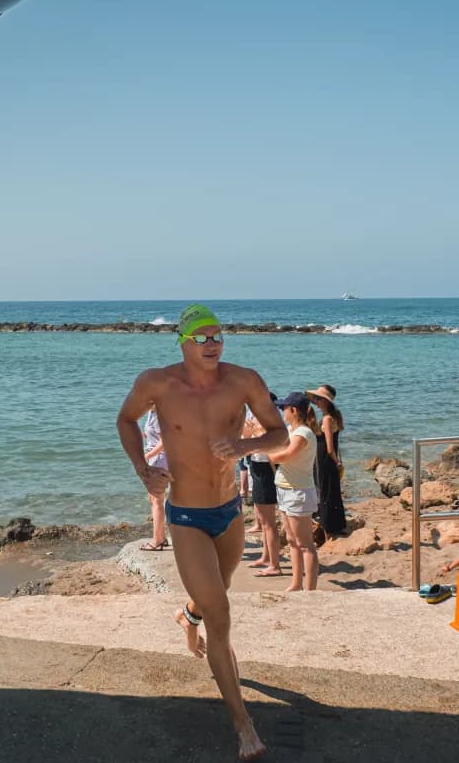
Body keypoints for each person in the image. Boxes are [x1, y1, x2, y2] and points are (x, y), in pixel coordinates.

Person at [116, 303, 287, 761]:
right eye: (201, 337)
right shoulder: (158, 383)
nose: (211, 343)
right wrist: (142, 469)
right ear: (183, 342)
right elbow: (124, 420)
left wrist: (245, 445)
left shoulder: (244, 380)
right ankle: (242, 724)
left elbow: (279, 432)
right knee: (222, 615)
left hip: (230, 511)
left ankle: (186, 616)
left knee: (216, 594)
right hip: (187, 517)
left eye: (217, 335)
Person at [268, 392, 320, 591]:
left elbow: (286, 455)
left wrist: (270, 454)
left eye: (284, 408)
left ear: (294, 410)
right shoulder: (292, 429)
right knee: (292, 540)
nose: (282, 412)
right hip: (285, 489)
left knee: (305, 543)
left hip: (298, 491)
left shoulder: (303, 434)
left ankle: (310, 589)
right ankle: (296, 583)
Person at [244, 393, 283, 577]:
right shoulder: (255, 418)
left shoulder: (272, 421)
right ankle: (266, 556)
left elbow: (274, 447)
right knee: (260, 515)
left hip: (267, 470)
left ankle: (275, 564)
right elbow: (246, 438)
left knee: (269, 522)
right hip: (256, 466)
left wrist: (256, 435)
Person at [306, 384, 347, 537]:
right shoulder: (330, 417)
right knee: (332, 491)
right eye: (315, 398)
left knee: (326, 492)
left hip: (326, 460)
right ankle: (336, 525)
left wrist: (336, 462)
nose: (315, 401)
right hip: (328, 460)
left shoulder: (327, 419)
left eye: (318, 398)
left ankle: (329, 527)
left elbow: (329, 448)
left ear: (325, 401)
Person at [139, 409, 169, 551]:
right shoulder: (152, 413)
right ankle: (161, 537)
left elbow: (164, 443)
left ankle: (157, 540)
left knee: (156, 501)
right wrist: (142, 435)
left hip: (159, 460)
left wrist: (144, 457)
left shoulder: (159, 414)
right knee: (154, 500)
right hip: (158, 459)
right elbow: (156, 437)